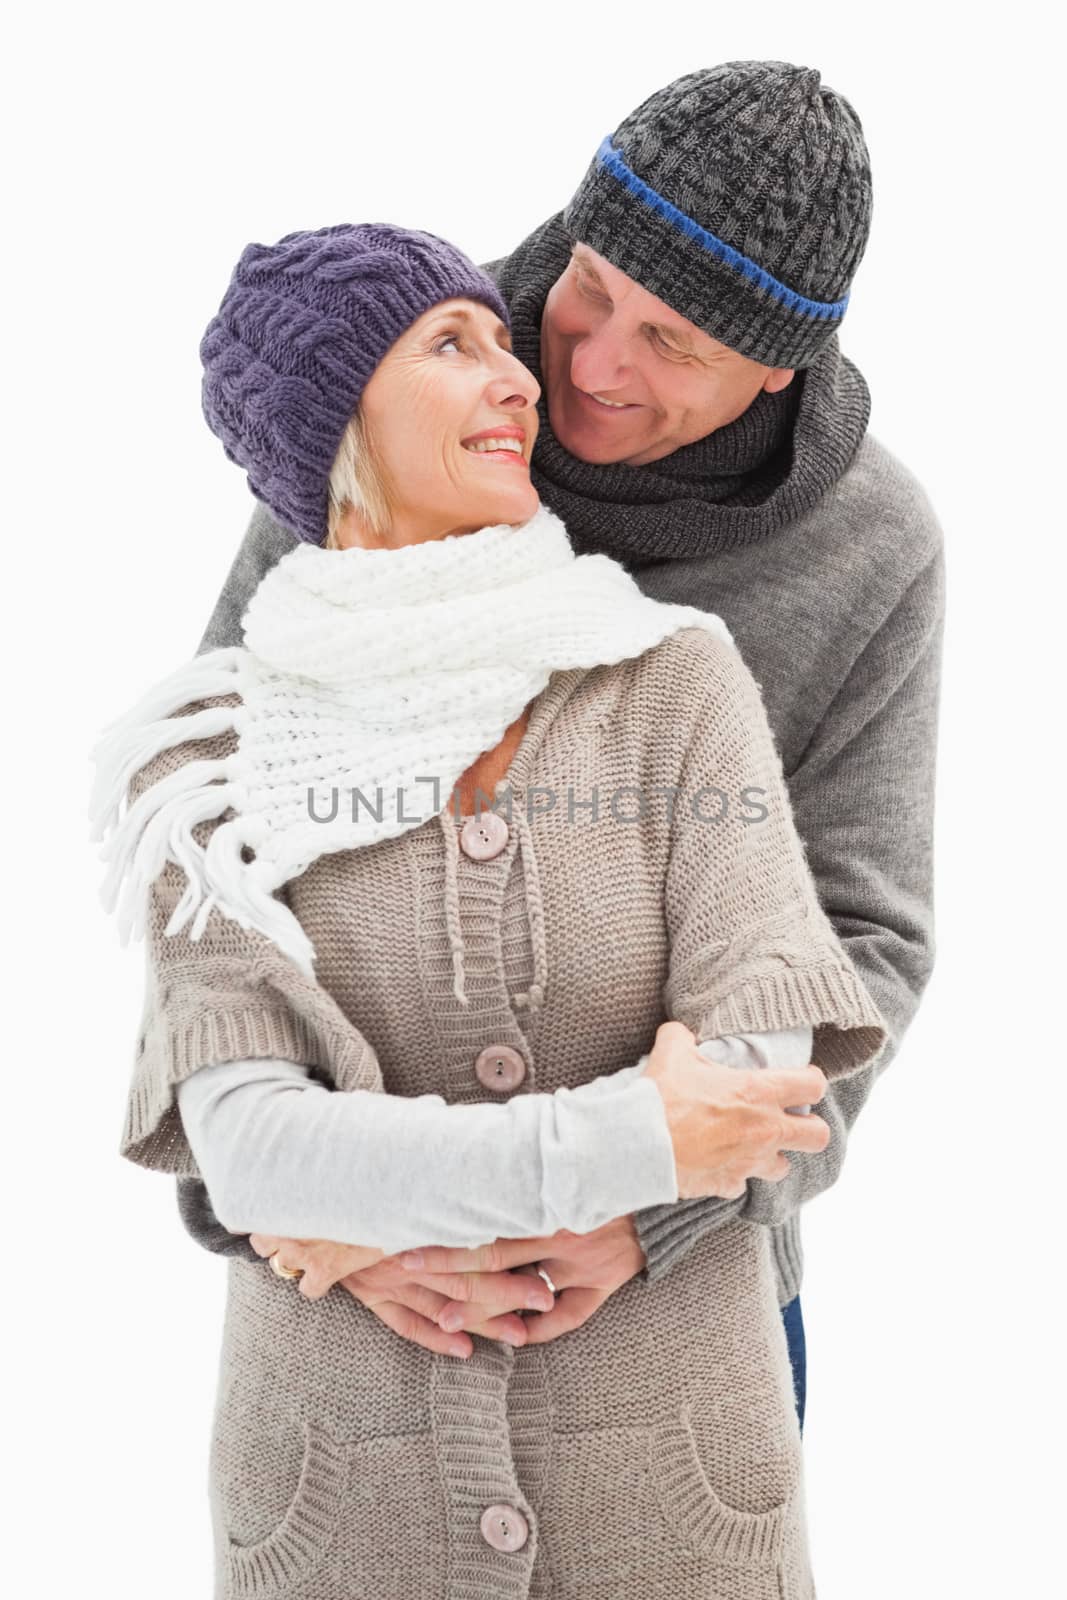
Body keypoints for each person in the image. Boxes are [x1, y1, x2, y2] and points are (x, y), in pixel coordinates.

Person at [90, 220, 887, 1596]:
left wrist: (391, 1185)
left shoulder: (672, 681)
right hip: (348, 1494)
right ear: (339, 425)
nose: (521, 379)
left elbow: (765, 1067)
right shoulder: (205, 759)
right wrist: (636, 1137)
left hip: (670, 1490)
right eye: (453, 349)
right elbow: (252, 1144)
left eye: (502, 344)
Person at [179, 58, 946, 1432]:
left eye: (674, 342)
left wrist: (654, 1213)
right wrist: (289, 1206)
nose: (588, 363)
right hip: (359, 1270)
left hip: (677, 1283)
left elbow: (862, 932)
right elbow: (210, 825)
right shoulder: (410, 384)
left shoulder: (871, 549)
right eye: (595, 285)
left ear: (780, 363)